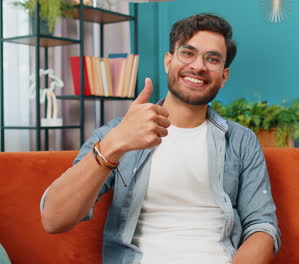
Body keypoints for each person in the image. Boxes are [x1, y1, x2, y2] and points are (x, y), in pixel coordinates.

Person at [40, 13, 280, 264]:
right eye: (187, 53)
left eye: (212, 59)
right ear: (168, 61)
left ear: (223, 75)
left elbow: (262, 227)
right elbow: (54, 219)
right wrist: (115, 143)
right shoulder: (116, 134)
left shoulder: (242, 141)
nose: (198, 66)